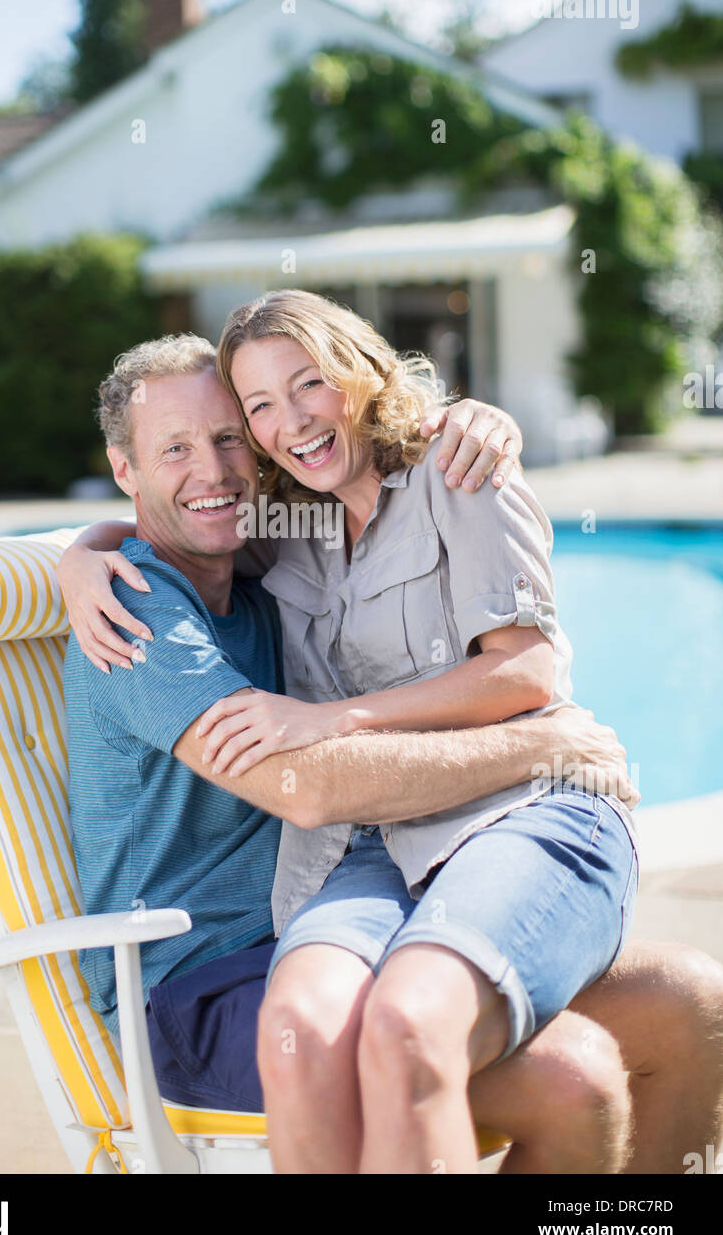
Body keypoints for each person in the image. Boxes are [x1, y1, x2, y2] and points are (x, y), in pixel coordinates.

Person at [61, 330, 723, 1174]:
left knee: (688, 1001)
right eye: (176, 449)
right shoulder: (140, 611)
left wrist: (475, 420)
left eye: (232, 436)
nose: (215, 470)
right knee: (574, 1082)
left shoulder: (264, 568)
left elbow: (372, 467)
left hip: (340, 924)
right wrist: (540, 746)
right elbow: (305, 788)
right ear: (127, 469)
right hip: (199, 993)